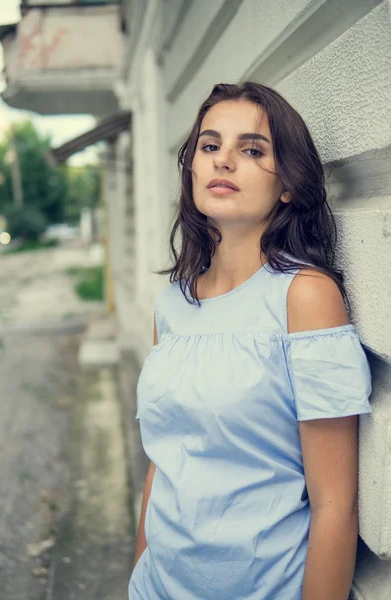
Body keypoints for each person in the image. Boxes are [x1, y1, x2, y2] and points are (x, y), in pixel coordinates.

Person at [127, 81, 373, 600]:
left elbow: (335, 505)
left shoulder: (305, 297)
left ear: (287, 184)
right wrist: (139, 568)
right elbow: (165, 459)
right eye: (210, 146)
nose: (223, 161)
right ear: (192, 167)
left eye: (252, 149)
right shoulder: (172, 302)